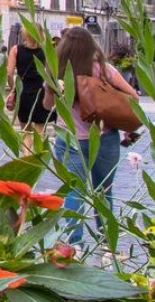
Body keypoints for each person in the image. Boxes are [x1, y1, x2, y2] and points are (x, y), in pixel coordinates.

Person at [54, 25, 141, 246]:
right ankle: (106, 241)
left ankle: (74, 244)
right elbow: (134, 97)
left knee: (74, 192)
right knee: (104, 193)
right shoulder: (104, 70)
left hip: (69, 139)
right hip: (104, 138)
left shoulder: (56, 72)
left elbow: (47, 106)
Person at [7, 29, 52, 142]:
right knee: (40, 132)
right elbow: (50, 73)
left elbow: (9, 74)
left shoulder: (16, 50)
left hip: (23, 92)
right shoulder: (46, 50)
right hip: (40, 93)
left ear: (24, 34)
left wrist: (13, 89)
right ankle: (37, 157)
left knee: (26, 131)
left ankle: (27, 157)